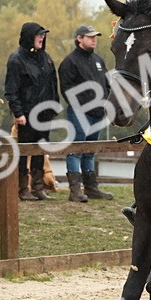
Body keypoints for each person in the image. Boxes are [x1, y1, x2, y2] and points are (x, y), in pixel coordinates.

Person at [58, 24, 114, 203]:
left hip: (98, 113)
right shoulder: (70, 62)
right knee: (76, 150)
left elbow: (107, 85)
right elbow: (66, 89)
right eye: (90, 36)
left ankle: (91, 188)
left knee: (90, 151)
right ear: (79, 38)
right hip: (79, 113)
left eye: (95, 36)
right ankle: (75, 190)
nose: (94, 39)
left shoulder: (98, 60)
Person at [5, 22, 58, 201]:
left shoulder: (46, 58)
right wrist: (18, 113)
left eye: (43, 35)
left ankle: (37, 187)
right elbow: (11, 90)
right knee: (22, 151)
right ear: (29, 36)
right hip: (26, 115)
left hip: (45, 114)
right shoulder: (16, 59)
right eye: (39, 35)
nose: (42, 38)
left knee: (40, 150)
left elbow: (52, 84)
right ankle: (22, 188)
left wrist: (54, 106)